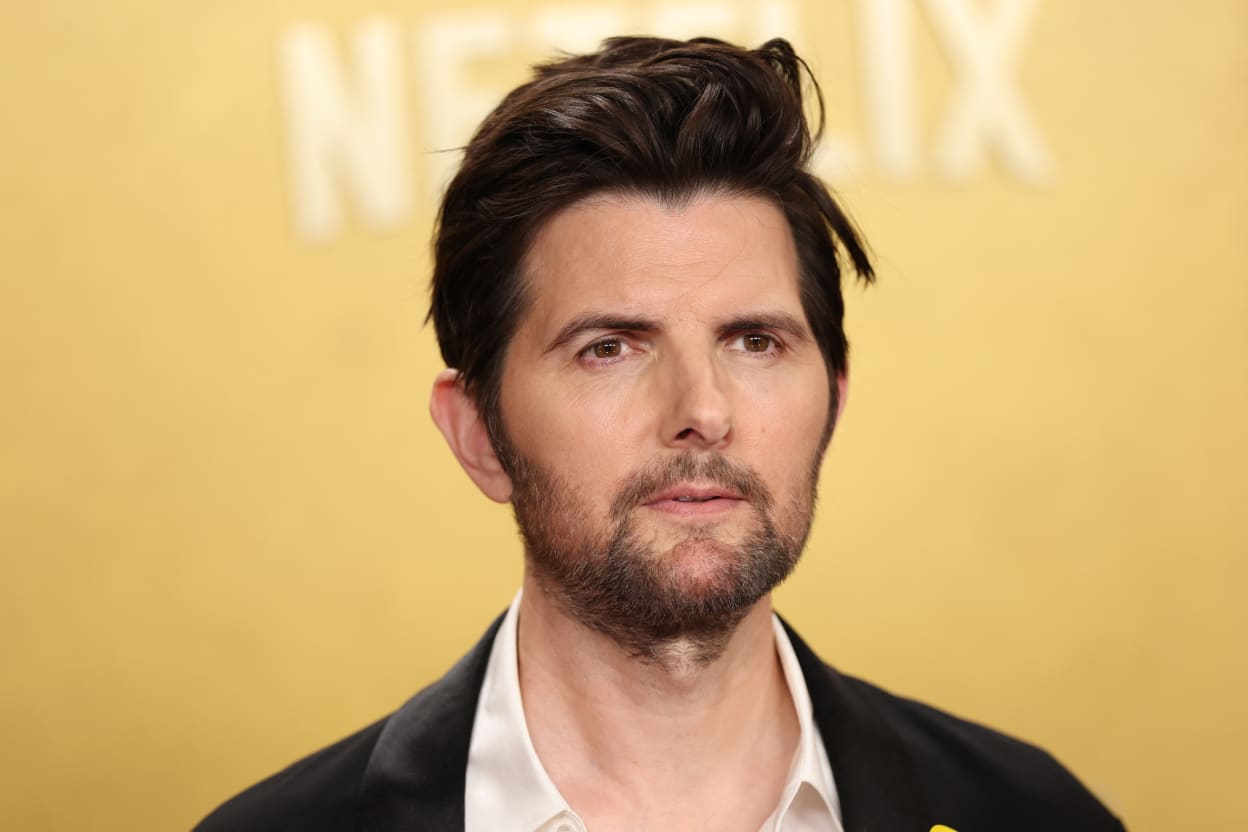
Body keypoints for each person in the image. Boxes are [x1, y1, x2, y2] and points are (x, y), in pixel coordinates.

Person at [196, 36, 1125, 832]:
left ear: (831, 404)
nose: (703, 409)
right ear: (478, 431)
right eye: (610, 348)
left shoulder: (1032, 812)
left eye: (755, 341)